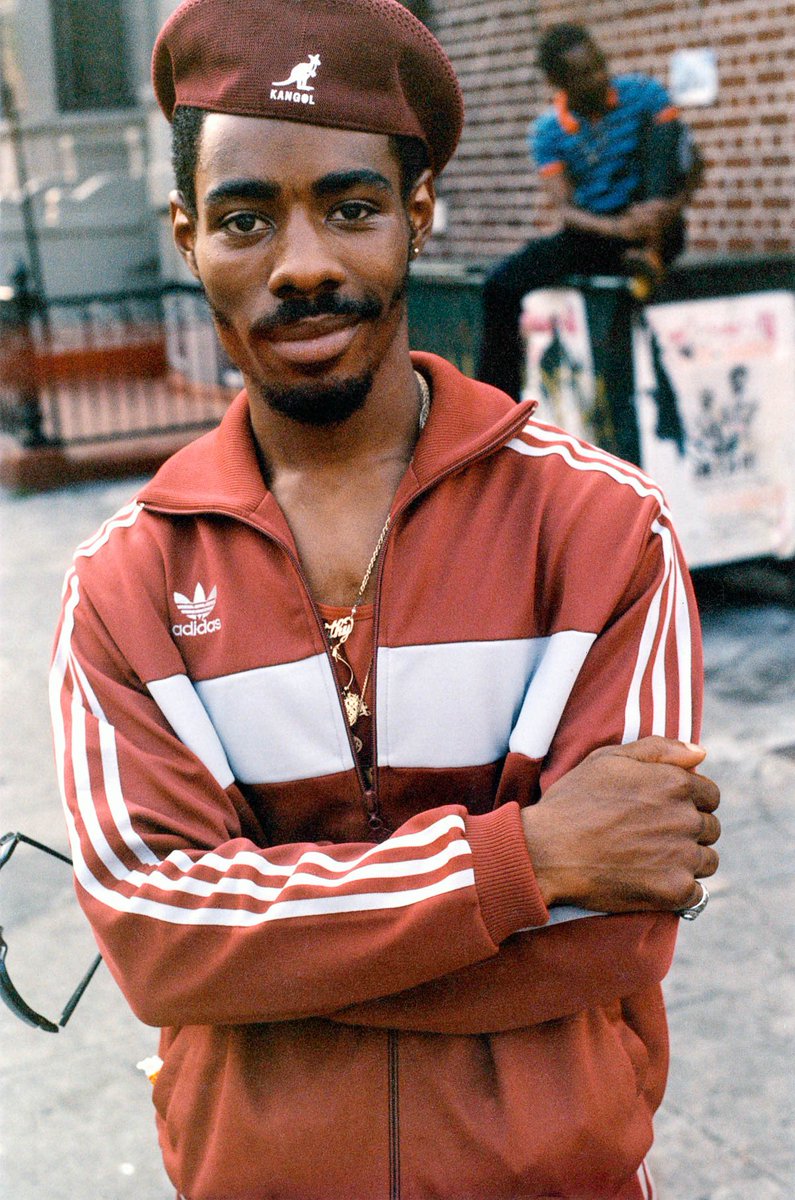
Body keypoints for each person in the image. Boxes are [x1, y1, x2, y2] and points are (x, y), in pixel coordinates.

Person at [49, 2, 720, 1198]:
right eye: (248, 217)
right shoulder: (125, 586)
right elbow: (156, 941)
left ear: (416, 214)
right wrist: (525, 862)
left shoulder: (603, 529)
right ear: (189, 234)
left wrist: (266, 955)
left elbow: (616, 934)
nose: (303, 263)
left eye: (351, 207)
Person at [478, 22, 702, 400]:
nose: (599, 77)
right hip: (601, 233)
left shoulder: (643, 94)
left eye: (599, 65)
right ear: (558, 81)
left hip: (658, 221)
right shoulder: (549, 131)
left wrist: (666, 209)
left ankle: (648, 255)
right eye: (584, 74)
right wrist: (618, 230)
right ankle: (496, 406)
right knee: (499, 285)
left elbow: (691, 163)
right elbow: (565, 210)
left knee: (666, 132)